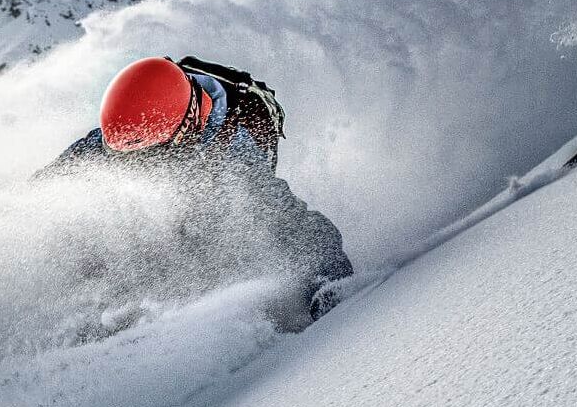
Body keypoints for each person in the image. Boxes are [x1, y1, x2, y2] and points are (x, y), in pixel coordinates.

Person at [38, 55, 352, 328]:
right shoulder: (131, 130)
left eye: (144, 156)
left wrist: (327, 289)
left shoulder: (233, 156)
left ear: (183, 134)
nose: (130, 164)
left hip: (219, 196)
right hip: (179, 171)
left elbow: (298, 227)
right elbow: (63, 176)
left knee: (210, 236)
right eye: (119, 153)